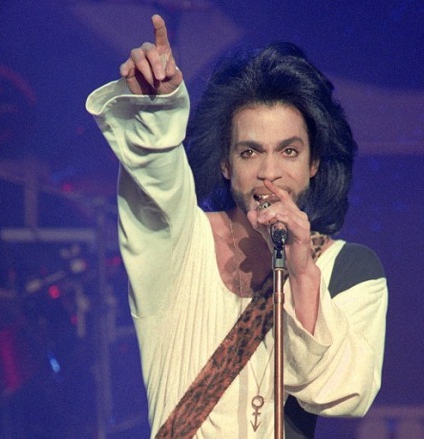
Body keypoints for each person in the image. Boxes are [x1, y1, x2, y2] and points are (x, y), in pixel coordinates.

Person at [86, 14, 387, 438]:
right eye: (250, 153)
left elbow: (346, 391)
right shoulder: (179, 245)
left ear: (313, 163)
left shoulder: (352, 269)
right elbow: (156, 180)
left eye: (288, 151)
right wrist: (157, 108)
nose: (269, 172)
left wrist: (302, 272)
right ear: (226, 164)